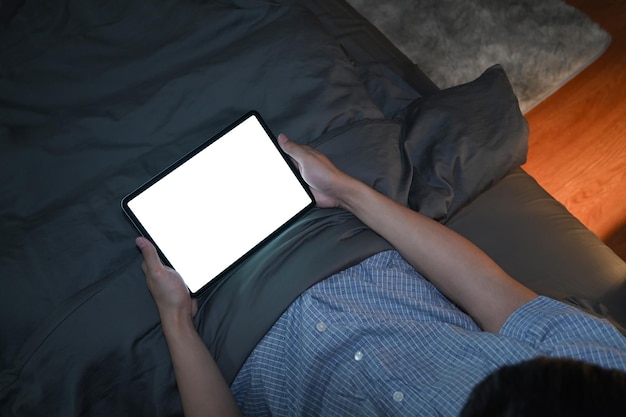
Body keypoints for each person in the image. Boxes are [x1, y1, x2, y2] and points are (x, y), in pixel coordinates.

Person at [136, 134, 626, 417]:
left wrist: (176, 319)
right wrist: (348, 192)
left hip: (238, 333)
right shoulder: (600, 374)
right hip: (350, 250)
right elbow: (495, 295)